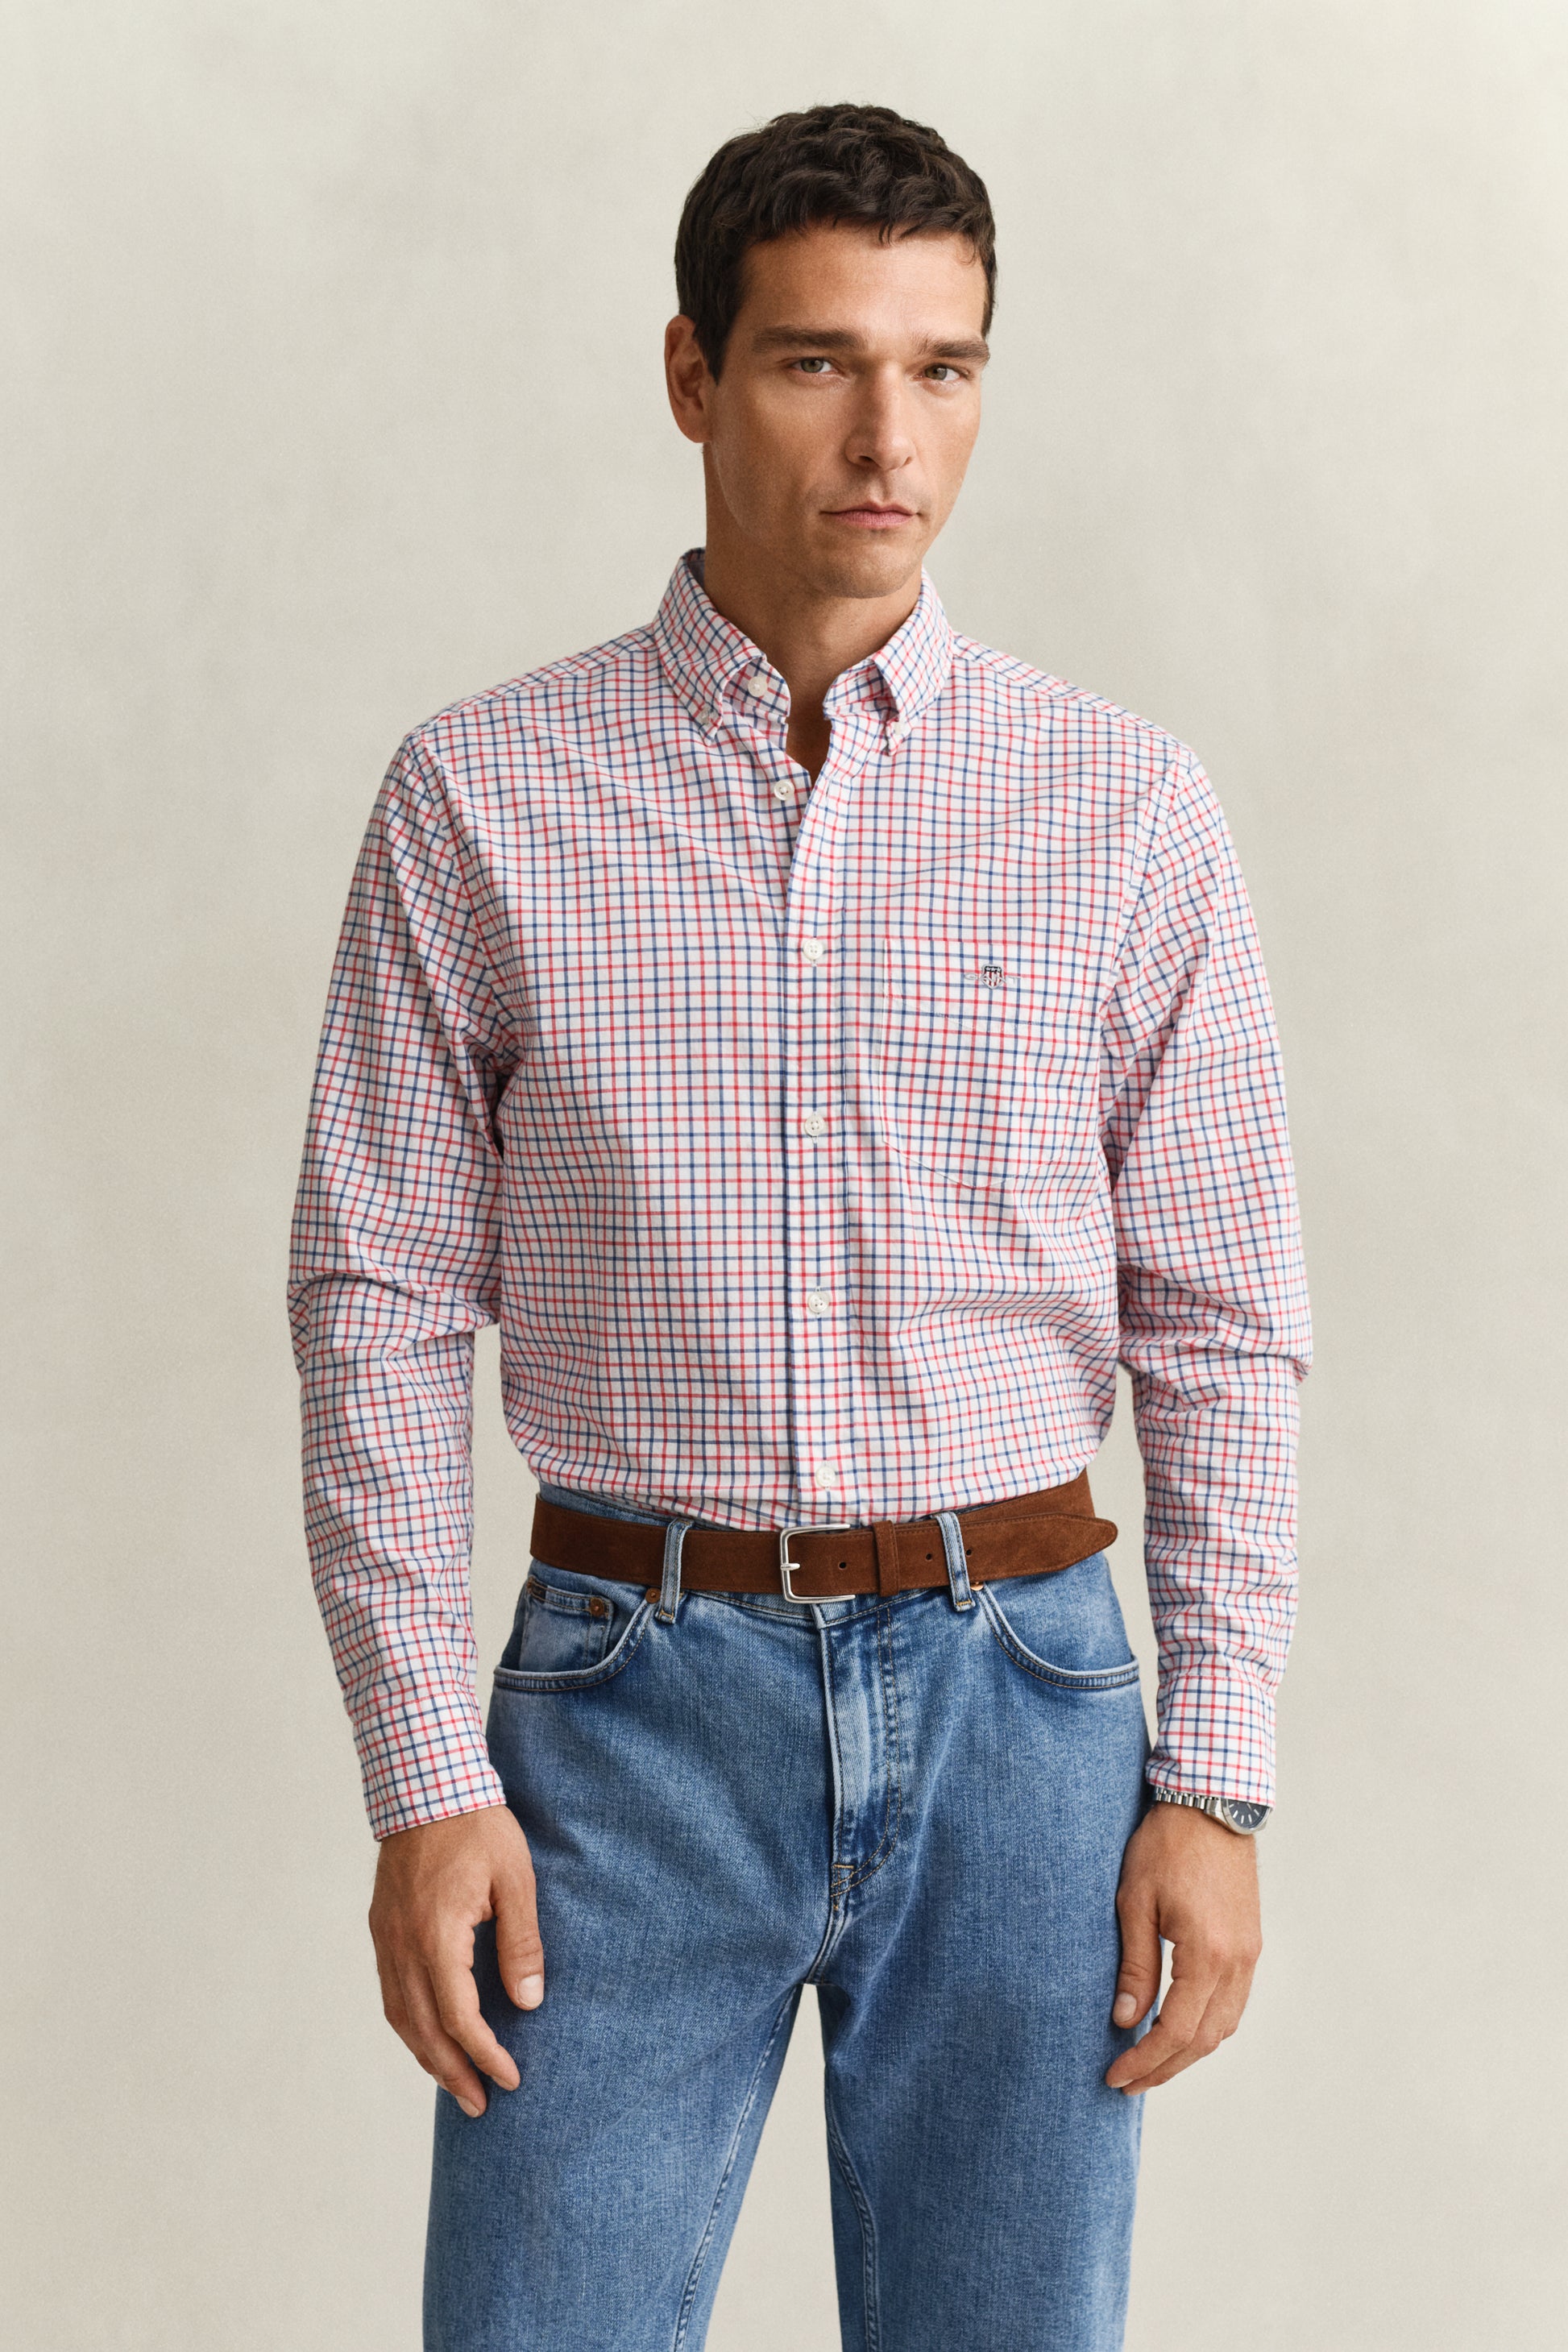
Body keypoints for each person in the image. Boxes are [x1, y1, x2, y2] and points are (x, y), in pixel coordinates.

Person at [288, 101, 1310, 2352]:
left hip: (1029, 1704)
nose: (888, 438)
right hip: (623, 1710)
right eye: (817, 361)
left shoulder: (1124, 808)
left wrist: (1215, 1781)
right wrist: (422, 1775)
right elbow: (376, 1303)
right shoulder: (479, 795)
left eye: (942, 367)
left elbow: (1222, 1321)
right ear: (692, 374)